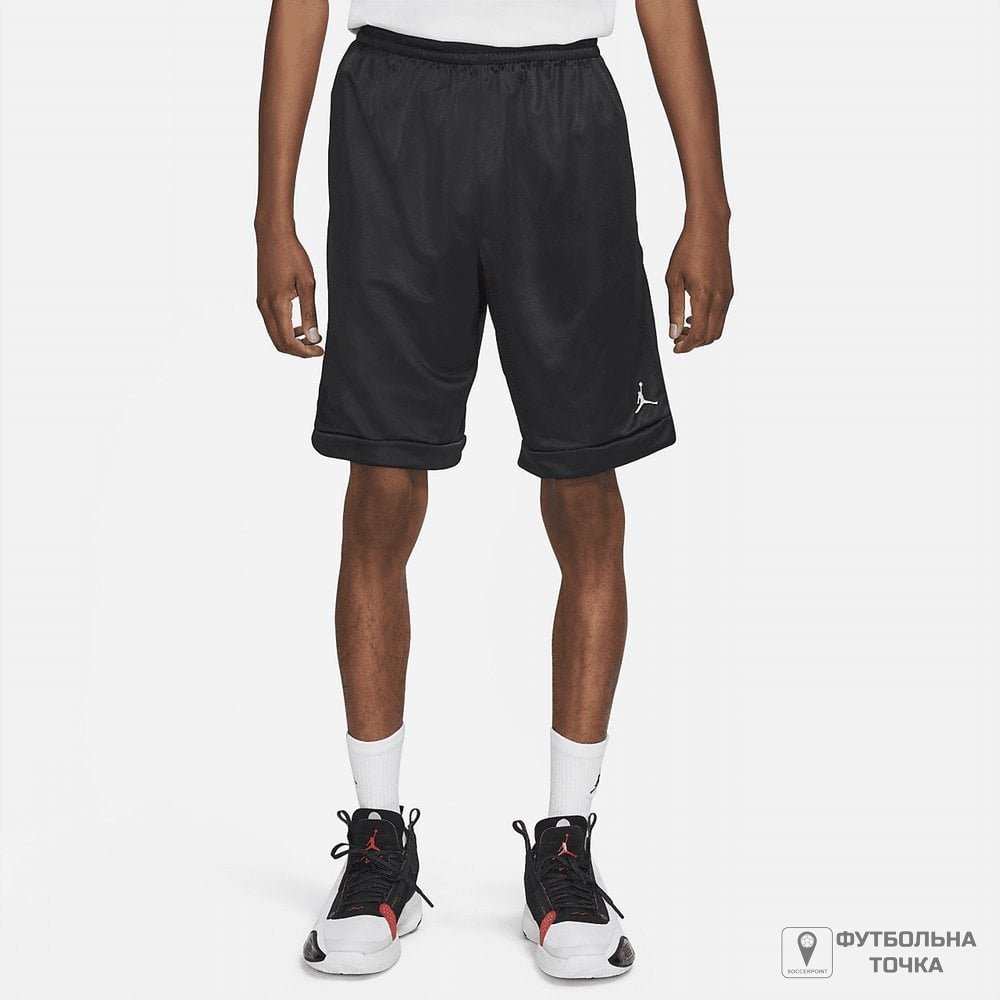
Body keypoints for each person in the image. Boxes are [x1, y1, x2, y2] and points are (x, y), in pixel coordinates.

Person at [256, 0, 733, 980]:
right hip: (394, 114)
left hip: (562, 117)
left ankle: (566, 847)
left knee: (584, 485)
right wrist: (272, 216)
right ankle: (378, 843)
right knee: (381, 483)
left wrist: (709, 209)